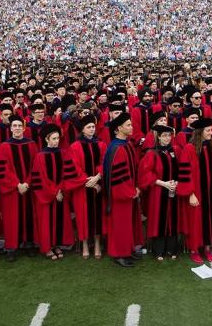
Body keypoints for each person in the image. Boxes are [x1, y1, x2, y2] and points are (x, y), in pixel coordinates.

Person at [31, 123, 86, 260]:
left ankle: (56, 245)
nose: (56, 141)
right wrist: (55, 192)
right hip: (47, 196)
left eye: (57, 139)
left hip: (62, 193)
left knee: (58, 221)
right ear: (46, 140)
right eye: (53, 139)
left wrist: (61, 189)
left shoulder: (63, 153)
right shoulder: (40, 156)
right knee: (46, 221)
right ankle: (47, 248)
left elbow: (67, 174)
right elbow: (40, 179)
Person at [178, 118, 212, 264]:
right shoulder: (189, 148)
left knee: (210, 219)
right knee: (196, 221)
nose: (211, 133)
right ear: (199, 132)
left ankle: (206, 248)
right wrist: (190, 194)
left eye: (211, 130)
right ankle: (194, 250)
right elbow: (186, 174)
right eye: (208, 130)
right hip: (197, 192)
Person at [0, 115, 38, 261]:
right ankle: (11, 248)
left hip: (28, 188)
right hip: (12, 190)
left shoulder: (31, 144)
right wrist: (17, 184)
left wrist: (27, 183)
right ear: (11, 128)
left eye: (20, 126)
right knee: (11, 218)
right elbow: (2, 169)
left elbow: (35, 167)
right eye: (15, 126)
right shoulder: (4, 146)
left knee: (29, 215)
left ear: (24, 128)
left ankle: (29, 244)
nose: (18, 128)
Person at [102, 113, 142, 267]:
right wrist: (131, 191)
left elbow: (133, 169)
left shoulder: (126, 144)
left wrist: (136, 187)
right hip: (120, 196)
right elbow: (119, 177)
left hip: (129, 191)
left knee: (128, 224)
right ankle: (119, 254)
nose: (132, 127)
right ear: (119, 128)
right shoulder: (117, 148)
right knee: (121, 225)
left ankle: (128, 249)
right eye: (129, 125)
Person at [138, 125, 181, 260]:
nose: (167, 138)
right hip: (158, 192)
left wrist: (177, 182)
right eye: (164, 136)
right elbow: (145, 174)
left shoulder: (176, 150)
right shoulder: (152, 153)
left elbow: (183, 169)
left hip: (174, 190)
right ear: (158, 137)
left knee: (173, 219)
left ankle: (172, 249)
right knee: (159, 219)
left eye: (169, 135)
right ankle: (158, 251)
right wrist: (164, 184)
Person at [68, 115, 106, 260]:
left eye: (93, 127)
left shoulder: (101, 144)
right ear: (82, 130)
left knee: (98, 217)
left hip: (98, 186)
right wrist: (87, 180)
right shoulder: (75, 146)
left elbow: (105, 162)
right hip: (81, 188)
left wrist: (97, 177)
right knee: (83, 217)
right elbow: (74, 167)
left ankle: (97, 244)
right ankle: (84, 244)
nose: (92, 129)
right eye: (88, 127)